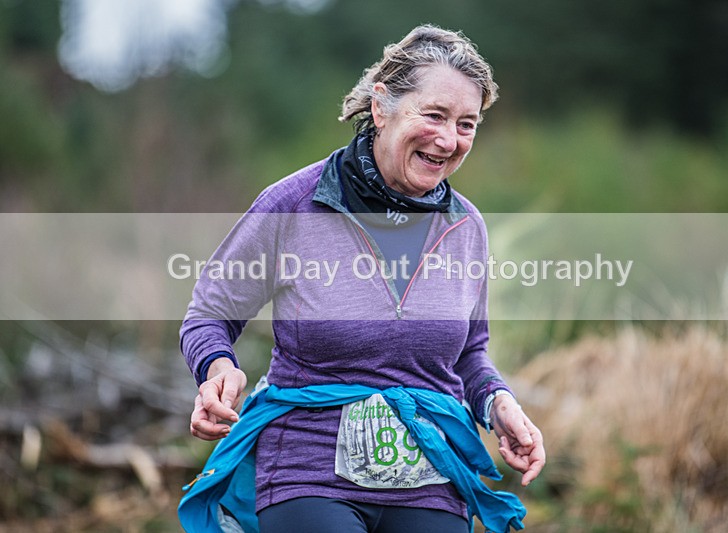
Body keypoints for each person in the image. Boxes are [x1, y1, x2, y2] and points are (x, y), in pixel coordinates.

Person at [179, 24, 545, 533]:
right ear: (380, 108)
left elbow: (468, 353)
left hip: (431, 473)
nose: (448, 139)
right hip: (308, 469)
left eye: (467, 124)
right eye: (434, 115)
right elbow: (210, 313)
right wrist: (217, 369)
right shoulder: (293, 205)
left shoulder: (467, 227)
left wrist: (498, 402)